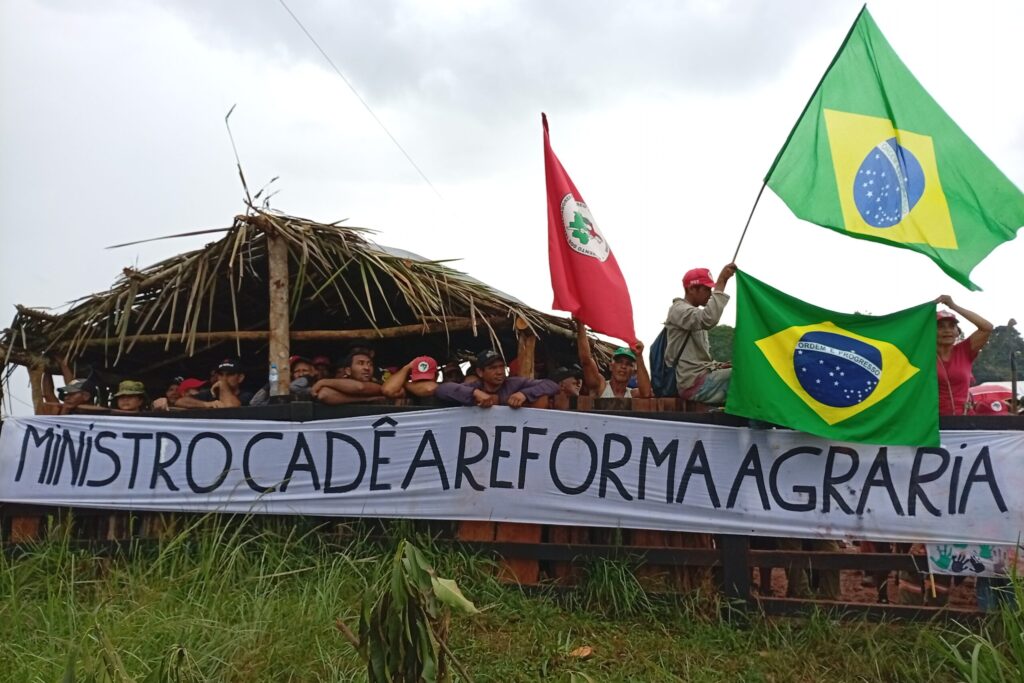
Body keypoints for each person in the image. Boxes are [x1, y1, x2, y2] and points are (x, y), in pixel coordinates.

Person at [664, 263, 737, 405]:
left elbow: (699, 361)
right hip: (692, 383)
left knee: (740, 369)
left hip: (702, 377)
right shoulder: (678, 310)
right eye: (706, 289)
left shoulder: (694, 314)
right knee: (741, 375)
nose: (710, 294)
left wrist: (718, 366)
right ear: (691, 289)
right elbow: (708, 319)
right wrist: (722, 281)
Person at [435, 350, 558, 407]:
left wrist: (524, 394)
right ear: (480, 372)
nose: (499, 372)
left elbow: (551, 385)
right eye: (493, 368)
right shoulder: (475, 387)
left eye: (501, 367)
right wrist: (475, 393)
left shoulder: (515, 383)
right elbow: (442, 390)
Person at [935, 297, 993, 416]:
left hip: (965, 418)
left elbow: (987, 327)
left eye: (951, 326)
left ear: (957, 332)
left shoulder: (965, 350)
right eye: (940, 326)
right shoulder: (922, 354)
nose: (947, 330)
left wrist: (953, 306)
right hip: (932, 421)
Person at [576, 320, 651, 398]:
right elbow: (586, 361)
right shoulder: (600, 386)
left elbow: (646, 394)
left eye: (628, 364)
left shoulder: (633, 394)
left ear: (633, 372)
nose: (623, 366)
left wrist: (639, 356)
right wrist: (580, 325)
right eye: (619, 362)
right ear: (611, 366)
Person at [312, 347, 385, 404]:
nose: (367, 368)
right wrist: (365, 399)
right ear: (348, 371)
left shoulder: (379, 385)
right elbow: (324, 395)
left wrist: (323, 382)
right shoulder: (342, 386)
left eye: (370, 364)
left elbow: (360, 387)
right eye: (360, 363)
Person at [176, 358, 250, 409]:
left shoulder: (246, 396)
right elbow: (180, 401)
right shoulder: (210, 393)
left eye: (230, 374)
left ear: (240, 378)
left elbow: (231, 408)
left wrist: (223, 385)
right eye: (221, 374)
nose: (224, 378)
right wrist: (207, 404)